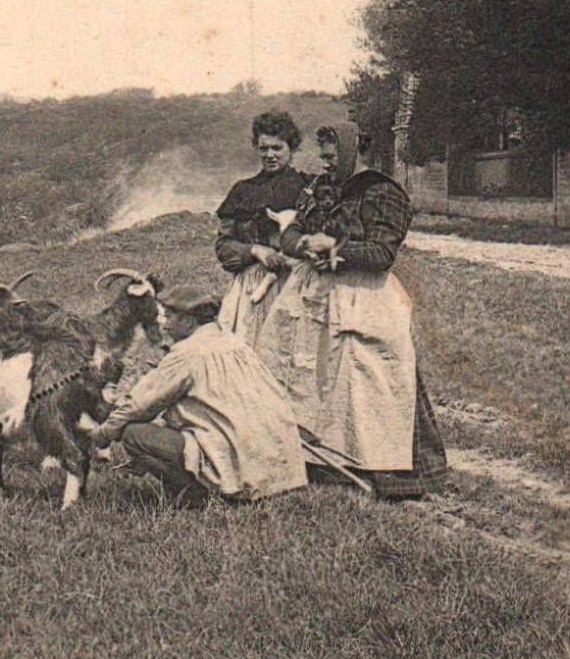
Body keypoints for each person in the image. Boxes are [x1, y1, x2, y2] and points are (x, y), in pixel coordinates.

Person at [272, 121, 448, 499]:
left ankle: (383, 472)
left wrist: (335, 249)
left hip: (362, 297)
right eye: (323, 157)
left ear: (356, 153)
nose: (325, 165)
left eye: (332, 157)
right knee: (317, 377)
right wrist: (304, 244)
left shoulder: (382, 193)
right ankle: (324, 462)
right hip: (316, 297)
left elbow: (383, 254)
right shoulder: (319, 189)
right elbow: (288, 234)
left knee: (368, 380)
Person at [89, 286, 308, 505]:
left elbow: (139, 405)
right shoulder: (236, 344)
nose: (163, 324)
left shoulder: (187, 354)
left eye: (170, 316)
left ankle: (197, 494)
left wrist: (104, 433)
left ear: (190, 322)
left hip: (237, 461)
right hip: (278, 465)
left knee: (134, 434)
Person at [214, 111, 310, 346]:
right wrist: (256, 250)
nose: (269, 155)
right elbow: (224, 246)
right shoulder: (242, 191)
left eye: (277, 148)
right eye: (263, 148)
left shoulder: (309, 188)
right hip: (249, 288)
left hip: (296, 284)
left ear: (292, 148)